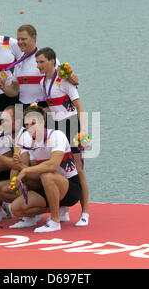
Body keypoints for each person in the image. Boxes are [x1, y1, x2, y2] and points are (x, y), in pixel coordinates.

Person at [35, 47, 90, 226]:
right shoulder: (42, 82)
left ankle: (85, 213)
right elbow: (49, 107)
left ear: (53, 61)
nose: (39, 66)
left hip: (72, 125)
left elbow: (79, 107)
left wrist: (83, 132)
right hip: (55, 126)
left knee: (78, 169)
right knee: (60, 169)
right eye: (37, 62)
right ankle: (63, 210)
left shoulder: (65, 80)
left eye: (42, 62)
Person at [11, 105, 82, 233]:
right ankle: (49, 212)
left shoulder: (57, 135)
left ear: (43, 122)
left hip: (70, 188)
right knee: (16, 208)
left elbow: (53, 165)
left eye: (33, 123)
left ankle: (55, 221)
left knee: (47, 175)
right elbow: (35, 175)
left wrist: (25, 170)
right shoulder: (30, 142)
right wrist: (22, 168)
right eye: (26, 125)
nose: (29, 128)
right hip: (48, 186)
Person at [0, 24, 78, 109]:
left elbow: (64, 78)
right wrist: (3, 87)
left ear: (34, 38)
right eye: (18, 39)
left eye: (23, 39)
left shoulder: (46, 58)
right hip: (22, 107)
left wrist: (71, 77)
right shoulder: (18, 62)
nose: (20, 42)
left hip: (42, 107)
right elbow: (15, 90)